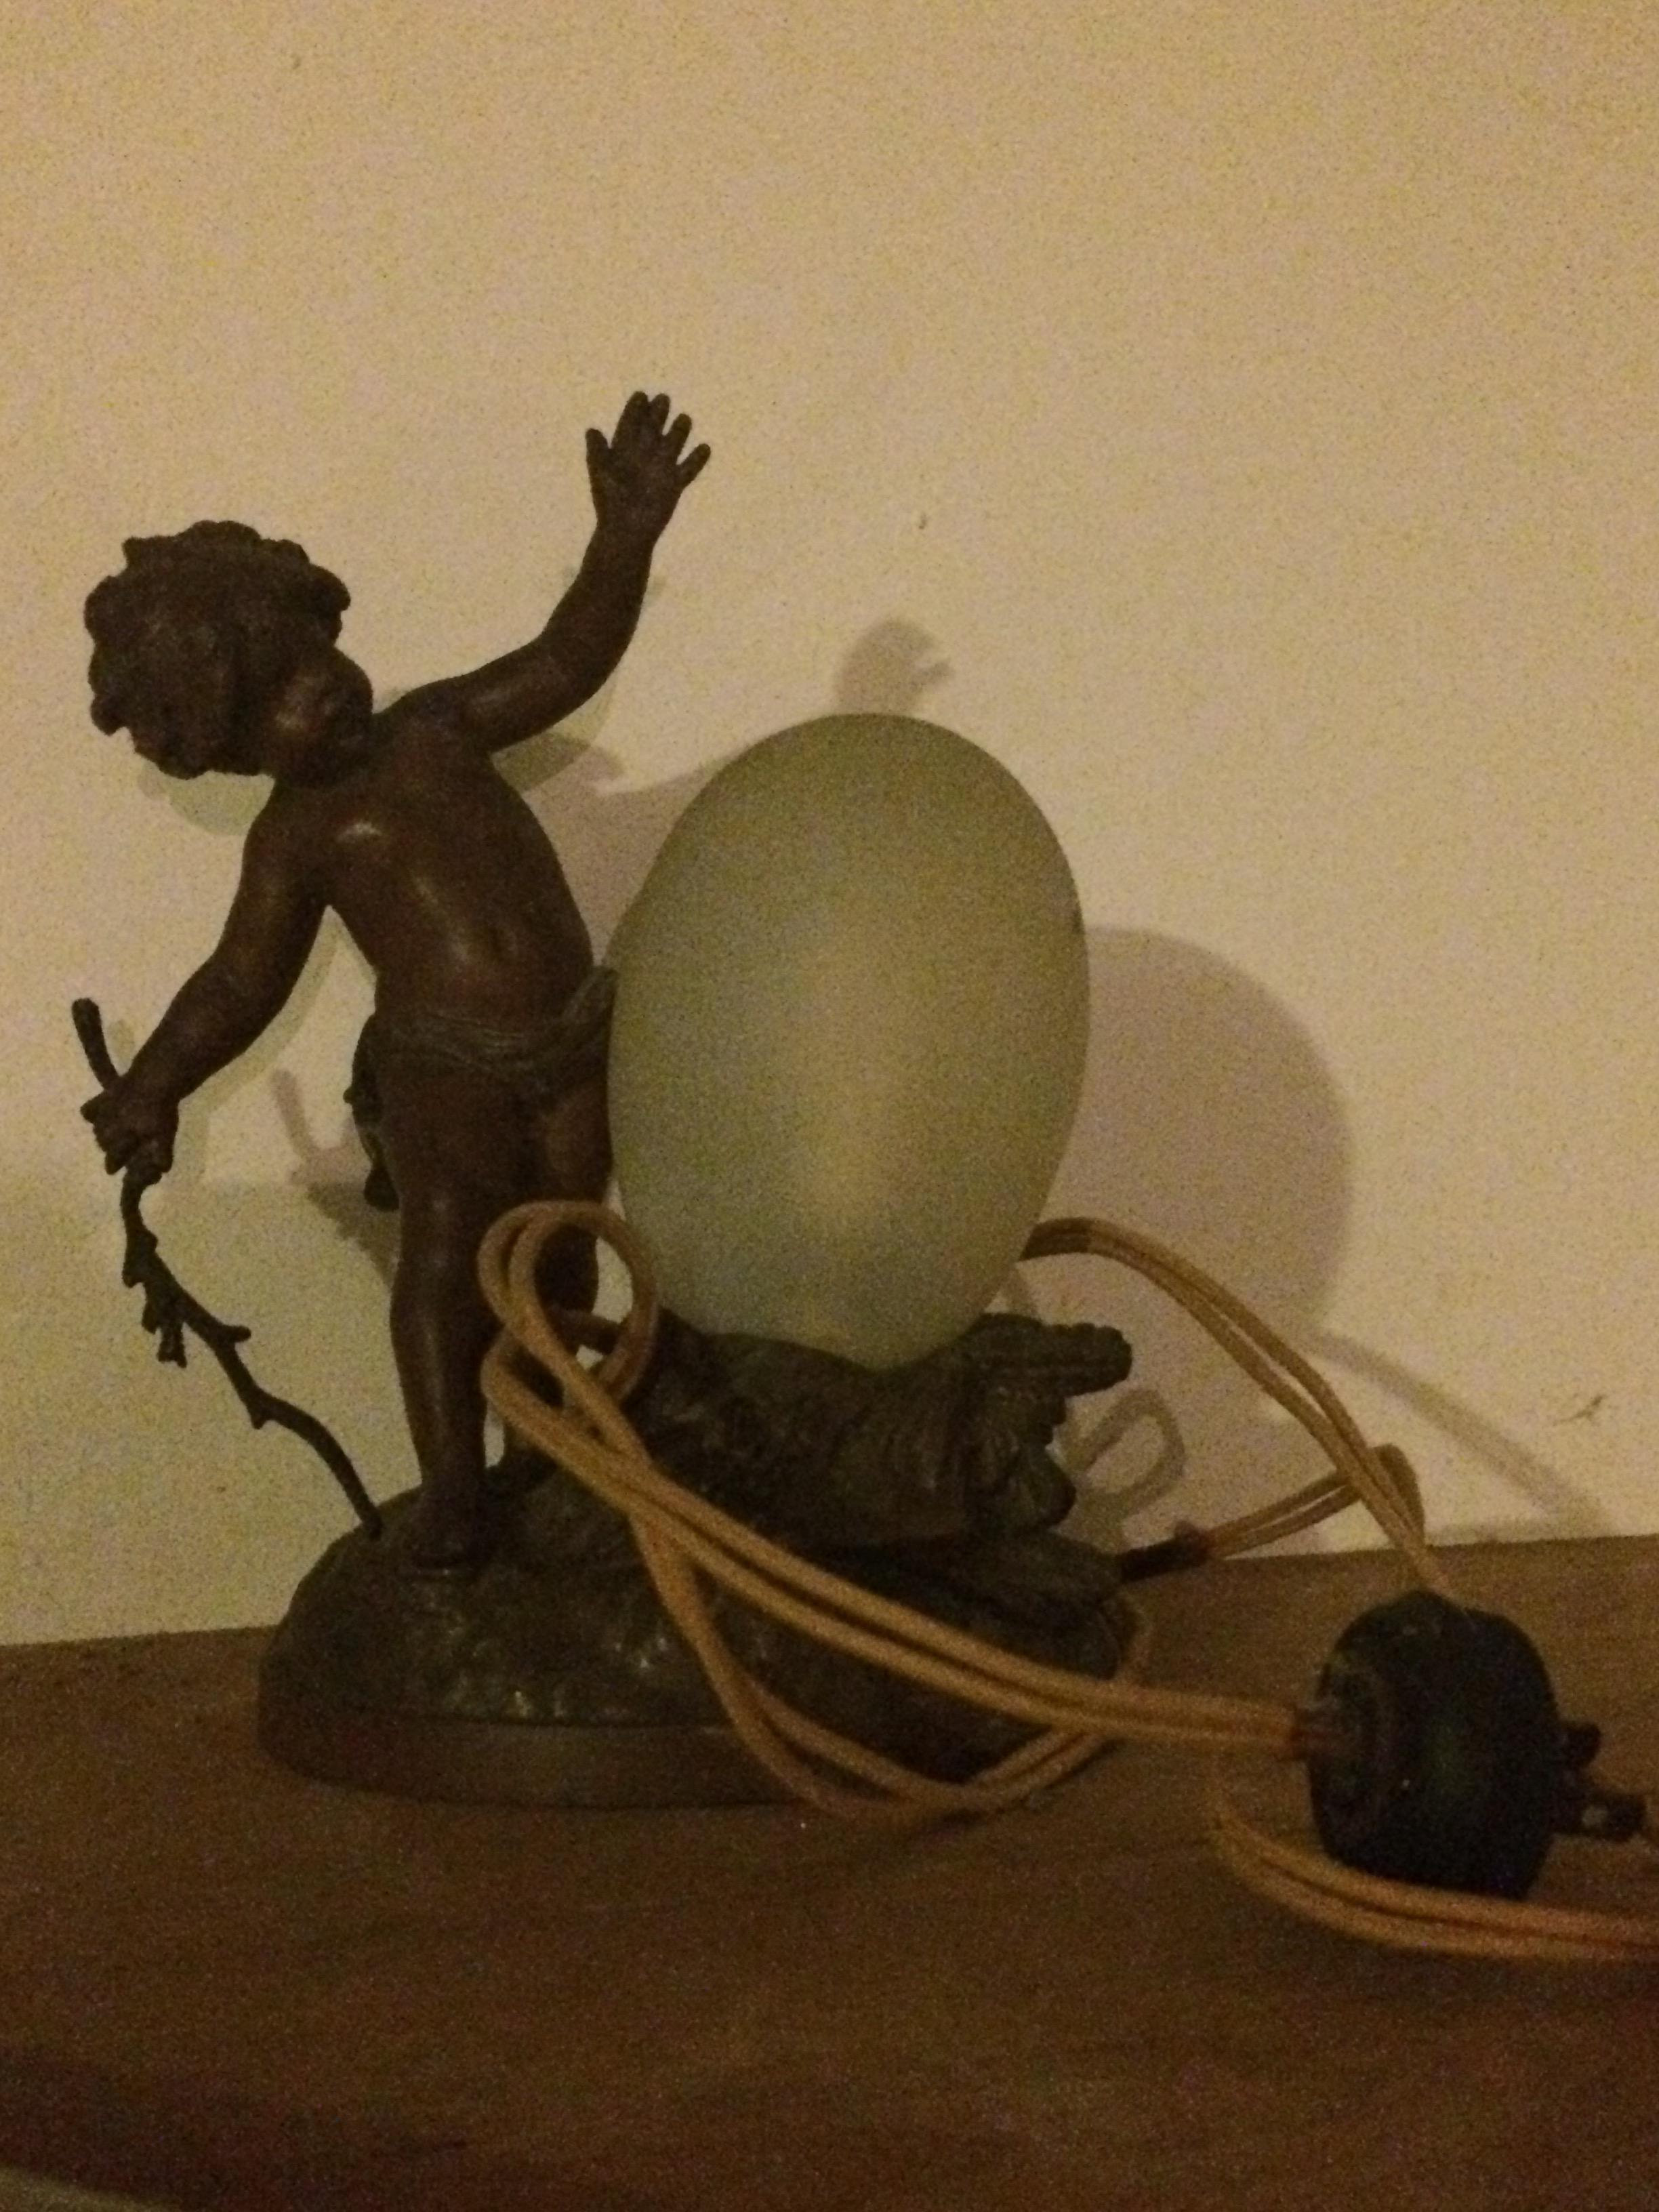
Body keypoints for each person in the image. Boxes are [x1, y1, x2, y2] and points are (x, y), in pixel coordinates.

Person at [81, 391, 709, 1568]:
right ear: (226, 744)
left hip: (573, 1038)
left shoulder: (438, 726)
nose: (318, 692)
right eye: (276, 697)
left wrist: (624, 540)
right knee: (447, 1256)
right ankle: (455, 1493)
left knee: (565, 1245)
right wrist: (153, 1084)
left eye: (314, 660)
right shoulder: (297, 837)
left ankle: (553, 1454)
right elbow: (238, 982)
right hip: (444, 1067)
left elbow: (566, 659)